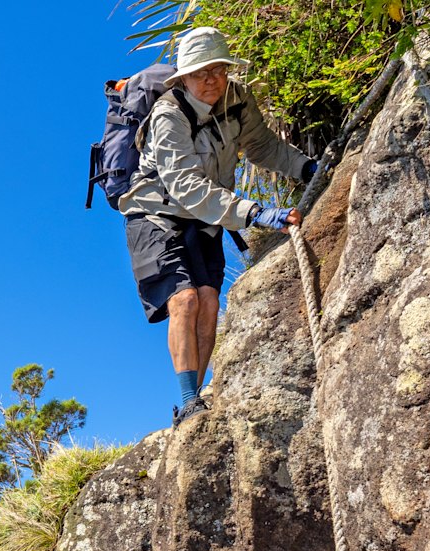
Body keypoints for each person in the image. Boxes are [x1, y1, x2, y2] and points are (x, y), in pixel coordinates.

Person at [119, 27, 316, 427]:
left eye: (218, 69)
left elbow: (263, 147)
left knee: (209, 300)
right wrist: (256, 213)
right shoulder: (169, 115)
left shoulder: (237, 98)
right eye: (200, 73)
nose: (211, 80)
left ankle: (201, 393)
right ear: (184, 78)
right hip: (154, 213)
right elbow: (186, 186)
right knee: (184, 301)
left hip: (206, 216)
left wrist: (306, 168)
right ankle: (188, 401)